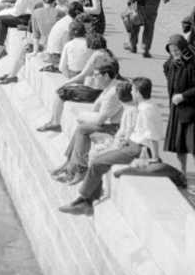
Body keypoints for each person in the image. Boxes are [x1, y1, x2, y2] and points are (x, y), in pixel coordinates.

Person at [59, 76, 162, 213]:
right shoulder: (148, 106)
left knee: (97, 162)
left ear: (137, 92)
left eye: (132, 90)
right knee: (98, 159)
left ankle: (84, 200)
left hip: (137, 149)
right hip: (133, 144)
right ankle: (87, 199)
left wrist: (155, 158)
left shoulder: (145, 110)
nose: (131, 94)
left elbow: (152, 135)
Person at [163, 34, 195, 194]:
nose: (174, 53)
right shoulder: (169, 64)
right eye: (171, 50)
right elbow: (170, 79)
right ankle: (182, 176)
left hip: (193, 111)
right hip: (177, 110)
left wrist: (183, 96)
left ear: (183, 48)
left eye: (176, 49)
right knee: (179, 146)